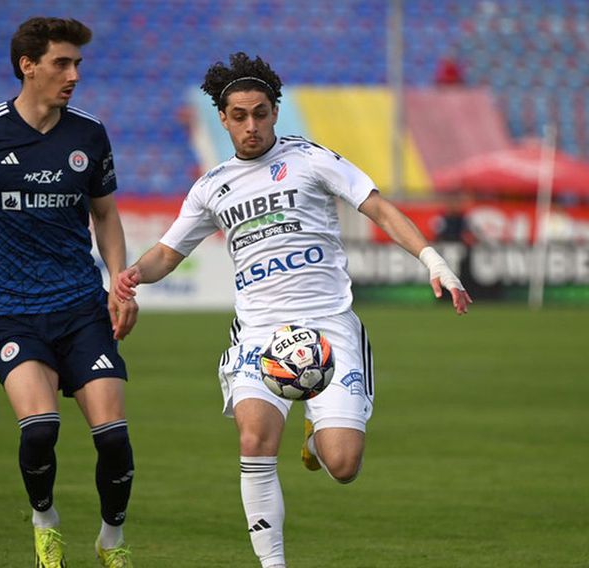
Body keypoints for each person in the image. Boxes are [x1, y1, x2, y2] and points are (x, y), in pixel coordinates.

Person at [115, 53, 472, 568]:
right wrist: (130, 278)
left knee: (344, 464)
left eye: (260, 113)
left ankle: (315, 430)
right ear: (222, 117)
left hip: (330, 327)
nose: (251, 125)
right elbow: (167, 254)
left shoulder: (312, 158)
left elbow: (378, 207)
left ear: (275, 110)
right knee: (254, 438)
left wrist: (432, 259)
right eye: (239, 115)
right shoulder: (210, 187)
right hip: (259, 333)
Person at [0, 17, 138, 568]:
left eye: (78, 64)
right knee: (40, 429)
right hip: (11, 311)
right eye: (62, 63)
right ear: (28, 65)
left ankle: (112, 540)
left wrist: (120, 281)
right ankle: (46, 522)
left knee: (112, 437)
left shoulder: (88, 133)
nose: (74, 75)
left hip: (81, 307)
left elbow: (105, 215)